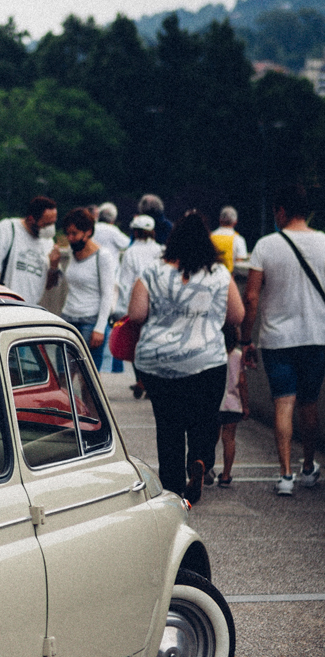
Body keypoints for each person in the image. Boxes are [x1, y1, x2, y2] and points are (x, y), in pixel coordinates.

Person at [127, 210, 244, 503]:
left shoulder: (153, 271)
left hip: (159, 362)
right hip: (206, 361)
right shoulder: (219, 274)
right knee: (204, 420)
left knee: (168, 426)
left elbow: (136, 314)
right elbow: (237, 314)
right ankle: (201, 461)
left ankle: (173, 486)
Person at [241, 182, 325, 494]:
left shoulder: (265, 246)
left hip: (277, 340)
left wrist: (246, 339)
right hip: (317, 336)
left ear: (281, 211)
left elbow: (251, 298)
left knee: (283, 404)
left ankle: (285, 475)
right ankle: (307, 467)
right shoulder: (324, 243)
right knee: (309, 403)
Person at [60, 207, 118, 369]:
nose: (70, 238)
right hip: (68, 317)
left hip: (90, 321)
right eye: (68, 233)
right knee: (63, 373)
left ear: (88, 232)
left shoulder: (102, 256)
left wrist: (100, 328)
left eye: (75, 233)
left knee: (88, 378)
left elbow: (108, 294)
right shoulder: (73, 253)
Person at [0, 195, 61, 306]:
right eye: (46, 224)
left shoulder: (48, 242)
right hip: (5, 305)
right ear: (31, 219)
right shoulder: (7, 229)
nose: (50, 228)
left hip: (30, 308)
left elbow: (49, 286)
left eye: (53, 223)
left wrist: (54, 266)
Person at [116, 214, 164, 395]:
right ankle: (151, 380)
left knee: (136, 343)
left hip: (137, 301)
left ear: (135, 232)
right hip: (158, 302)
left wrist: (122, 307)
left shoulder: (131, 252)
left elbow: (125, 281)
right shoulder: (160, 250)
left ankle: (141, 379)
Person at [212, 324, 248, 486]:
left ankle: (206, 468)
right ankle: (226, 475)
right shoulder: (239, 356)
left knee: (212, 437)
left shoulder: (214, 355)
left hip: (215, 404)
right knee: (229, 439)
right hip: (233, 405)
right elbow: (242, 382)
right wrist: (245, 405)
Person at [210, 207, 248, 272]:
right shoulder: (239, 239)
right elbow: (239, 263)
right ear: (235, 222)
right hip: (229, 278)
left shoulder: (210, 237)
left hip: (210, 276)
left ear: (220, 220)